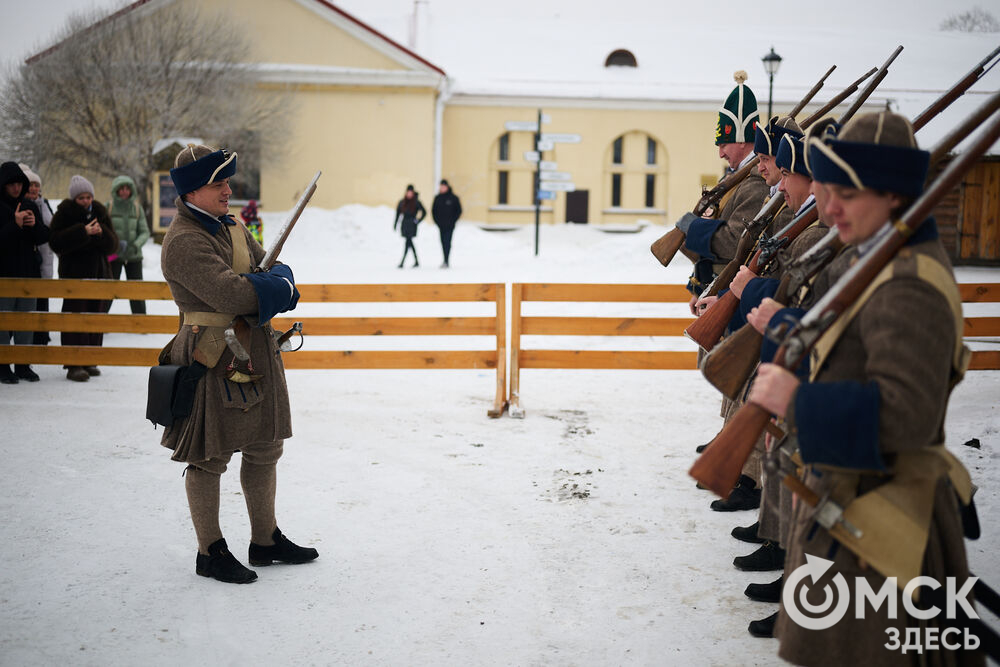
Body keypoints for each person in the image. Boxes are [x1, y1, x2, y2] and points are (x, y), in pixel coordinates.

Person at [746, 112, 983, 665]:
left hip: (886, 526)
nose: (829, 208)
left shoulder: (909, 283)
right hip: (852, 510)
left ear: (894, 195)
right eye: (829, 189)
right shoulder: (877, 262)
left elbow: (906, 417)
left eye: (848, 193)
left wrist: (796, 402)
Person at [159, 144, 317, 584]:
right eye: (219, 183)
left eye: (227, 181)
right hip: (211, 355)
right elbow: (235, 295)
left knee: (266, 446)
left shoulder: (231, 225)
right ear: (193, 191)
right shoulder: (184, 241)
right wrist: (271, 288)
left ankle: (264, 541)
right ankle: (210, 551)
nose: (229, 189)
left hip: (253, 349)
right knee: (209, 456)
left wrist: (273, 283)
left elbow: (276, 269)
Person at [48, 175, 118, 382]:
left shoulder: (100, 212)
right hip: (74, 275)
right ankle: (73, 363)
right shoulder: (64, 214)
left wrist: (100, 233)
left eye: (88, 197)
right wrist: (83, 232)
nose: (86, 201)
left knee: (95, 315)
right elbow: (55, 242)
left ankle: (90, 359)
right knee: (74, 316)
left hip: (99, 273)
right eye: (81, 198)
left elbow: (113, 244)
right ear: (74, 199)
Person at [0, 162, 49, 384]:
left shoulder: (29, 204)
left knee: (26, 321)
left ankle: (23, 364)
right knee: (4, 322)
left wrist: (32, 224)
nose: (16, 188)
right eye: (11, 184)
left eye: (19, 183)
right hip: (5, 275)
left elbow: (43, 237)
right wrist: (14, 224)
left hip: (28, 274)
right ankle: (3, 366)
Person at [20, 166, 55, 346]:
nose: (34, 189)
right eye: (30, 185)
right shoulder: (18, 206)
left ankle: (41, 336)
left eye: (36, 185)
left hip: (45, 259)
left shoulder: (45, 204)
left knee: (42, 302)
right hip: (27, 262)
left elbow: (51, 230)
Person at [107, 175, 150, 314]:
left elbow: (144, 232)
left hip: (134, 256)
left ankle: (141, 322)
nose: (125, 191)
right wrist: (114, 244)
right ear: (116, 190)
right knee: (109, 289)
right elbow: (104, 230)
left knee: (136, 290)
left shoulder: (137, 208)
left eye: (127, 188)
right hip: (114, 256)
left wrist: (135, 245)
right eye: (121, 189)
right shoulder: (109, 207)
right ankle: (100, 320)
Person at [431, 179, 462, 268]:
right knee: (442, 242)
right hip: (441, 225)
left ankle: (446, 260)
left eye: (444, 186)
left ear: (447, 187)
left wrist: (453, 220)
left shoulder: (453, 198)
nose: (442, 188)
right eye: (441, 186)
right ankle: (445, 259)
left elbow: (459, 211)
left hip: (450, 225)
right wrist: (437, 222)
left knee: (448, 242)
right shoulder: (437, 198)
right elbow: (434, 211)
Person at [393, 184, 425, 268]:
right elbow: (398, 214)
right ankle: (416, 261)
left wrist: (417, 220)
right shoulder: (402, 202)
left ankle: (402, 261)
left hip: (412, 224)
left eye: (411, 192)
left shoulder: (416, 202)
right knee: (409, 242)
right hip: (404, 224)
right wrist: (395, 224)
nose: (409, 194)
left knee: (408, 242)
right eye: (408, 192)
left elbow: (424, 212)